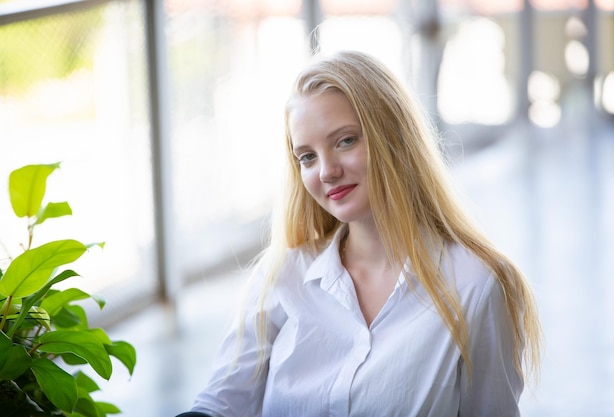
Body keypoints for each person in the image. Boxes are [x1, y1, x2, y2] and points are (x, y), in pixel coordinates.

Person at [177, 50, 542, 417]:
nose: (326, 172)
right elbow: (218, 405)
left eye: (345, 141)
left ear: (394, 138)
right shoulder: (283, 276)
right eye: (307, 157)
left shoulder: (475, 286)